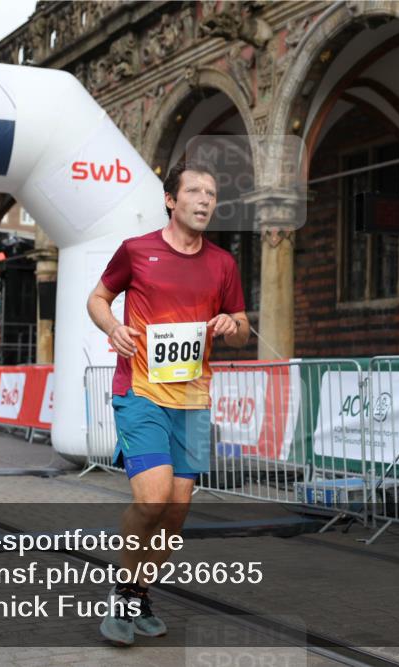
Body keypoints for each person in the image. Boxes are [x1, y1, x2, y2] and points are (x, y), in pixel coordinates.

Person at [86, 161, 249, 646]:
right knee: (153, 497)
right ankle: (122, 593)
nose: (204, 200)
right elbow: (97, 298)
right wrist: (113, 328)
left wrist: (231, 325)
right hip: (140, 391)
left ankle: (139, 594)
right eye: (194, 191)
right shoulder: (136, 251)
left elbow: (242, 328)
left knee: (176, 512)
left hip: (193, 399)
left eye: (211, 193)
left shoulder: (223, 264)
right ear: (170, 200)